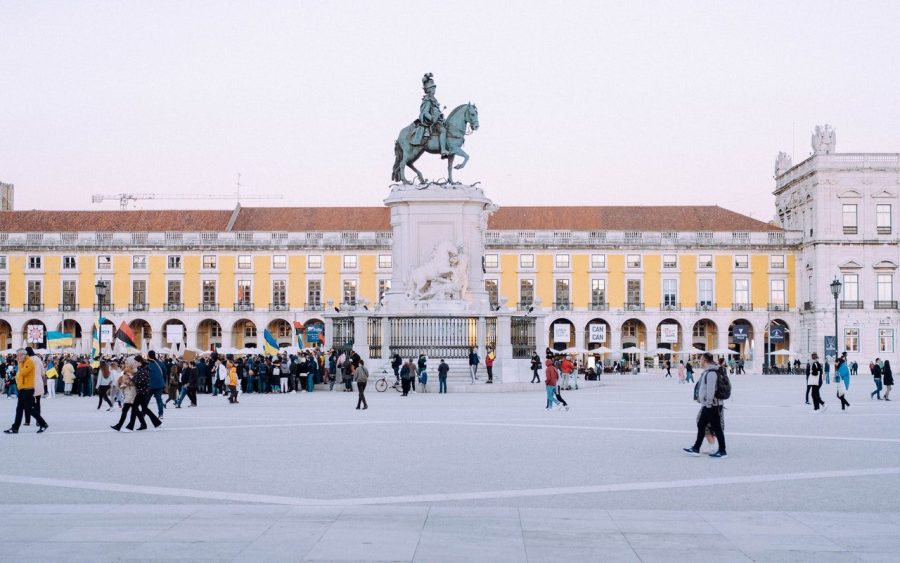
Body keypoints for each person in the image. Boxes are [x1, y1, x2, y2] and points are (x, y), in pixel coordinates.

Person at [683, 353, 726, 458]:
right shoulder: (709, 372)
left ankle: (722, 451)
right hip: (708, 405)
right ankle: (696, 448)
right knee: (701, 425)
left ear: (705, 360)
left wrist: (708, 404)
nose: (699, 361)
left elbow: (710, 391)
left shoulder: (711, 373)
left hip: (712, 405)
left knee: (717, 428)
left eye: (701, 359)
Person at [5, 349, 49, 434]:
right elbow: (19, 375)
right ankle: (15, 428)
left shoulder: (29, 362)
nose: (17, 357)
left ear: (23, 355)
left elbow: (23, 373)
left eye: (18, 355)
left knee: (28, 409)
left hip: (28, 389)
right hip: (23, 388)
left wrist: (20, 363)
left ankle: (43, 424)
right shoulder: (23, 362)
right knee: (19, 409)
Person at [110, 361, 137, 432]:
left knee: (125, 410)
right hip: (127, 392)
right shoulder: (124, 372)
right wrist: (120, 382)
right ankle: (144, 424)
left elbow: (134, 382)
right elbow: (121, 382)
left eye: (127, 364)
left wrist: (126, 382)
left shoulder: (133, 373)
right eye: (125, 364)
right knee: (135, 411)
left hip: (131, 393)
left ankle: (119, 426)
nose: (126, 365)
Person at [146, 350, 167, 419]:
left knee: (146, 400)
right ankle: (161, 414)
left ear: (148, 356)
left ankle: (143, 413)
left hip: (150, 385)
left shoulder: (147, 363)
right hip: (160, 384)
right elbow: (165, 371)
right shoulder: (160, 363)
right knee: (159, 399)